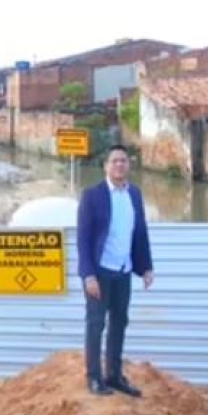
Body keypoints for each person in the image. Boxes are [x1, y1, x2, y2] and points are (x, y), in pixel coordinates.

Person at [77, 144, 154, 397]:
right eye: (115, 161)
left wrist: (146, 267)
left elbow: (140, 232)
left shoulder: (135, 194)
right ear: (106, 166)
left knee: (119, 323)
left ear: (128, 166)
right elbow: (83, 238)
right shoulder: (92, 195)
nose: (120, 165)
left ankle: (114, 375)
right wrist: (88, 275)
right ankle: (94, 377)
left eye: (124, 161)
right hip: (99, 272)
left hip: (123, 272)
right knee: (96, 324)